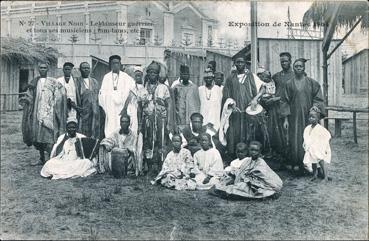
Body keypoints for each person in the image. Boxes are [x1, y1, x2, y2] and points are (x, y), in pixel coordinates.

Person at [280, 58, 325, 174]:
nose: (298, 68)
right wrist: (285, 119)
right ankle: (297, 163)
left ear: (304, 68)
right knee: (295, 139)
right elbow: (284, 101)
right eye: (296, 66)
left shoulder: (312, 83)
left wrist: (315, 108)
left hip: (308, 117)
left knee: (310, 139)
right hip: (293, 117)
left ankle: (312, 165)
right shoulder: (289, 84)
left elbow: (318, 98)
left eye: (300, 66)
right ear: (293, 68)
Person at [20, 62, 67, 166]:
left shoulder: (53, 82)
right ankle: (41, 158)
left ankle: (51, 159)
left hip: (50, 113)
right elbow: (29, 95)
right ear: (38, 69)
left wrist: (55, 105)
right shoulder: (34, 82)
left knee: (49, 137)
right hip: (37, 113)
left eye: (44, 68)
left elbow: (61, 92)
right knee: (38, 137)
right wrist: (27, 101)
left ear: (48, 69)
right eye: (41, 68)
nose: (42, 69)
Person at [221, 56, 265, 161]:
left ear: (245, 63)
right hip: (236, 113)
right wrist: (231, 105)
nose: (240, 64)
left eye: (241, 62)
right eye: (237, 62)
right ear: (235, 64)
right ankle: (235, 158)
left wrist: (255, 99)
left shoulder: (251, 76)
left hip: (249, 112)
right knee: (235, 134)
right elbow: (226, 95)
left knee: (250, 133)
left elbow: (263, 88)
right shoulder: (230, 78)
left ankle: (250, 158)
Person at [213, 141, 283, 199]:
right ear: (249, 150)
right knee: (231, 181)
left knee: (242, 186)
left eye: (256, 150)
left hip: (257, 183)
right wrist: (235, 172)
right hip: (247, 181)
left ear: (260, 151)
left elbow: (263, 175)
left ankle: (231, 193)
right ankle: (227, 191)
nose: (253, 152)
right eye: (252, 150)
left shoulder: (261, 162)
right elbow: (242, 171)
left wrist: (248, 178)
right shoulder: (247, 161)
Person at [142, 61, 173, 172]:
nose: (152, 75)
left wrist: (168, 121)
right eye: (150, 73)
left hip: (161, 119)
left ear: (158, 74)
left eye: (155, 73)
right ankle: (148, 166)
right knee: (148, 141)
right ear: (147, 74)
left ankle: (161, 165)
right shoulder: (143, 88)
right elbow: (139, 106)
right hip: (147, 120)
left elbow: (169, 105)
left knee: (161, 141)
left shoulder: (163, 88)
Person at [99, 55, 135, 137]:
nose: (116, 65)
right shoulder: (106, 77)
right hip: (110, 108)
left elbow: (132, 91)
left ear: (120, 64)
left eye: (117, 63)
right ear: (110, 65)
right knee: (111, 126)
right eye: (113, 63)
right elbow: (102, 94)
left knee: (122, 125)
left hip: (122, 108)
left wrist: (125, 107)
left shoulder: (126, 77)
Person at [270, 52, 294, 163]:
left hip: (290, 109)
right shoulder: (276, 76)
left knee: (289, 134)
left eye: (285, 61)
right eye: (281, 61)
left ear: (290, 61)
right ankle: (280, 159)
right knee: (277, 133)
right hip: (276, 109)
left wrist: (277, 98)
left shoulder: (295, 76)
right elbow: (271, 90)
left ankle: (291, 159)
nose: (283, 63)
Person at [73, 62, 101, 139]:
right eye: (84, 68)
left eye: (87, 68)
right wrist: (77, 108)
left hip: (94, 112)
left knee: (93, 131)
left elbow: (98, 96)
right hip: (82, 112)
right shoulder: (76, 82)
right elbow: (73, 97)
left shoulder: (95, 82)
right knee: (82, 131)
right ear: (80, 69)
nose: (86, 70)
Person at [303, 108, 331, 181]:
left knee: (321, 161)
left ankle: (326, 177)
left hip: (318, 148)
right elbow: (306, 137)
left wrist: (324, 146)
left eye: (313, 117)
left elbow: (327, 136)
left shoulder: (320, 128)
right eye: (310, 117)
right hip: (311, 148)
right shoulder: (308, 128)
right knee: (313, 162)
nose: (311, 119)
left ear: (318, 118)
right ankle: (315, 175)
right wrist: (306, 144)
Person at [172, 64, 201, 130]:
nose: (185, 76)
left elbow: (197, 104)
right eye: (183, 74)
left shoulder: (194, 88)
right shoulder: (176, 88)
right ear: (180, 75)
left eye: (187, 74)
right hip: (180, 118)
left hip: (191, 117)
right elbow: (174, 104)